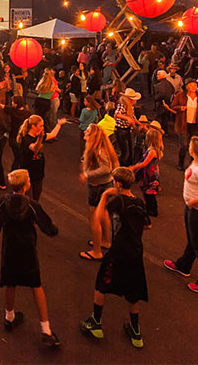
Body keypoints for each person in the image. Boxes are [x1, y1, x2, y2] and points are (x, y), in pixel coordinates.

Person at [0, 169, 61, 348]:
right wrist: (53, 230)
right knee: (36, 286)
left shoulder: (3, 202)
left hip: (10, 249)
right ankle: (46, 330)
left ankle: (9, 318)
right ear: (25, 185)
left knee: (10, 283)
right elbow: (46, 225)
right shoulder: (31, 205)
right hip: (27, 250)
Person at [79, 167, 149, 348]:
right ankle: (135, 331)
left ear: (117, 184)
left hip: (118, 251)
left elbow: (97, 215)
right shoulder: (139, 202)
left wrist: (104, 196)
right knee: (133, 292)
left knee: (102, 284)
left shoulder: (117, 201)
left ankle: (96, 321)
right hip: (136, 252)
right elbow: (148, 225)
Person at [163, 136, 198, 293]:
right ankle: (183, 265)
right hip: (193, 209)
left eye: (191, 146)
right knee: (192, 241)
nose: (188, 147)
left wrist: (193, 202)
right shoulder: (196, 162)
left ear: (196, 150)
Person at [79, 124, 119, 260]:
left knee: (94, 217)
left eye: (88, 131)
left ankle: (96, 251)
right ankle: (106, 241)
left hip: (98, 187)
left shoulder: (98, 150)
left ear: (93, 136)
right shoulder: (99, 148)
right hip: (104, 184)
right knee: (103, 213)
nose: (85, 132)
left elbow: (106, 168)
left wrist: (87, 174)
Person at [16, 114, 67, 201]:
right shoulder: (26, 139)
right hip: (28, 176)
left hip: (38, 175)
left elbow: (52, 134)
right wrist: (40, 138)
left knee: (36, 200)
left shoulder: (38, 136)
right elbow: (35, 148)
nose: (43, 128)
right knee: (29, 200)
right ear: (33, 126)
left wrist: (59, 124)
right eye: (41, 126)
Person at [171, 80, 198, 170]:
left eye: (195, 85)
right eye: (191, 85)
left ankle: (192, 164)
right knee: (184, 145)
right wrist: (180, 108)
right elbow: (173, 106)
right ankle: (181, 162)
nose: (194, 87)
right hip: (183, 123)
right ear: (187, 87)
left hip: (195, 124)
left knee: (194, 146)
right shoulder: (181, 96)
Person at [129, 126, 163, 215]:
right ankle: (150, 208)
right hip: (151, 173)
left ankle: (152, 210)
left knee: (149, 194)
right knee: (148, 193)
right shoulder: (155, 149)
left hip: (149, 174)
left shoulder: (152, 151)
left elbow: (145, 163)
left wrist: (134, 167)